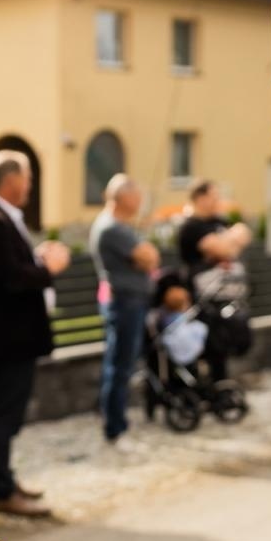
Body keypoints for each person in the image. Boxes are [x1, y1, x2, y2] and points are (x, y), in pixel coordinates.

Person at [0, 150, 70, 517]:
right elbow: (12, 279)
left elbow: (12, 266)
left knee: (8, 413)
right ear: (12, 182)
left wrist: (35, 259)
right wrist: (49, 268)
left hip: (12, 337)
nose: (30, 186)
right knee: (4, 414)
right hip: (9, 338)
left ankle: (7, 479)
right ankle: (2, 491)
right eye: (28, 179)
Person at [89, 174, 159, 444]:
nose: (141, 199)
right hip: (125, 303)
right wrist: (145, 259)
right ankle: (115, 425)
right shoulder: (112, 228)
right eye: (137, 193)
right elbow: (150, 257)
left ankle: (115, 420)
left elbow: (149, 258)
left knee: (121, 363)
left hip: (128, 301)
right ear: (123, 197)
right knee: (120, 364)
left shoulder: (118, 226)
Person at [176, 180, 252, 381]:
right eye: (213, 196)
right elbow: (225, 249)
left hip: (226, 296)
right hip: (202, 298)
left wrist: (225, 248)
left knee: (227, 341)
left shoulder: (219, 221)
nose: (218, 200)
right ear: (199, 198)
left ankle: (221, 388)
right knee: (210, 345)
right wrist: (228, 247)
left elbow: (243, 233)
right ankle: (211, 388)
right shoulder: (191, 227)